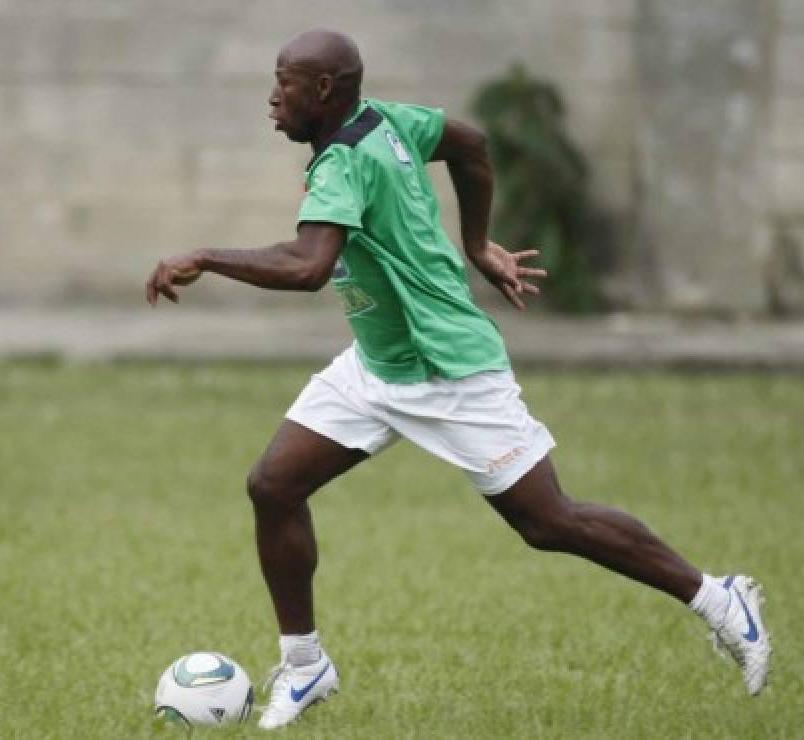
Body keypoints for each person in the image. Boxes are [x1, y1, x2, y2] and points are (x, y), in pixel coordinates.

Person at [145, 28, 771, 730]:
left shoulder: (343, 161)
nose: (272, 96)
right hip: (378, 363)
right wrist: (475, 243)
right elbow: (470, 143)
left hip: (449, 367)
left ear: (324, 89)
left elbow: (307, 266)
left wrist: (204, 254)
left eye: (283, 81)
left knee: (549, 521)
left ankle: (720, 600)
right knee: (274, 485)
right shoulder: (388, 119)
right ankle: (305, 665)